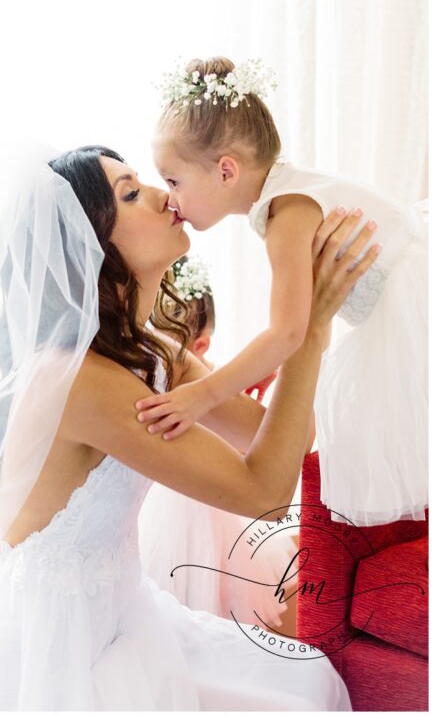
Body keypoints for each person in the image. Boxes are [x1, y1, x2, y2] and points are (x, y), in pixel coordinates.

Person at [0, 145, 373, 710]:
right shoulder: (82, 382)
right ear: (93, 247)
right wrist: (308, 333)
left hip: (124, 616)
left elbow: (285, 439)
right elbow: (264, 489)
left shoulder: (153, 354)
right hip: (57, 650)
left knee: (302, 679)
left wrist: (293, 323)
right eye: (131, 193)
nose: (166, 196)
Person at [139, 56, 428, 526]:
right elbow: (295, 323)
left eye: (174, 180)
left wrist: (203, 395)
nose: (169, 197)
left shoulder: (286, 210)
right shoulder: (289, 195)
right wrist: (262, 368)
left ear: (227, 171)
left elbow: (288, 331)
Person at [139, 254, 297, 626]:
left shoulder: (217, 383)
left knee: (224, 590)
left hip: (219, 506)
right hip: (173, 503)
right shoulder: (178, 377)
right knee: (179, 589)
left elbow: (251, 449)